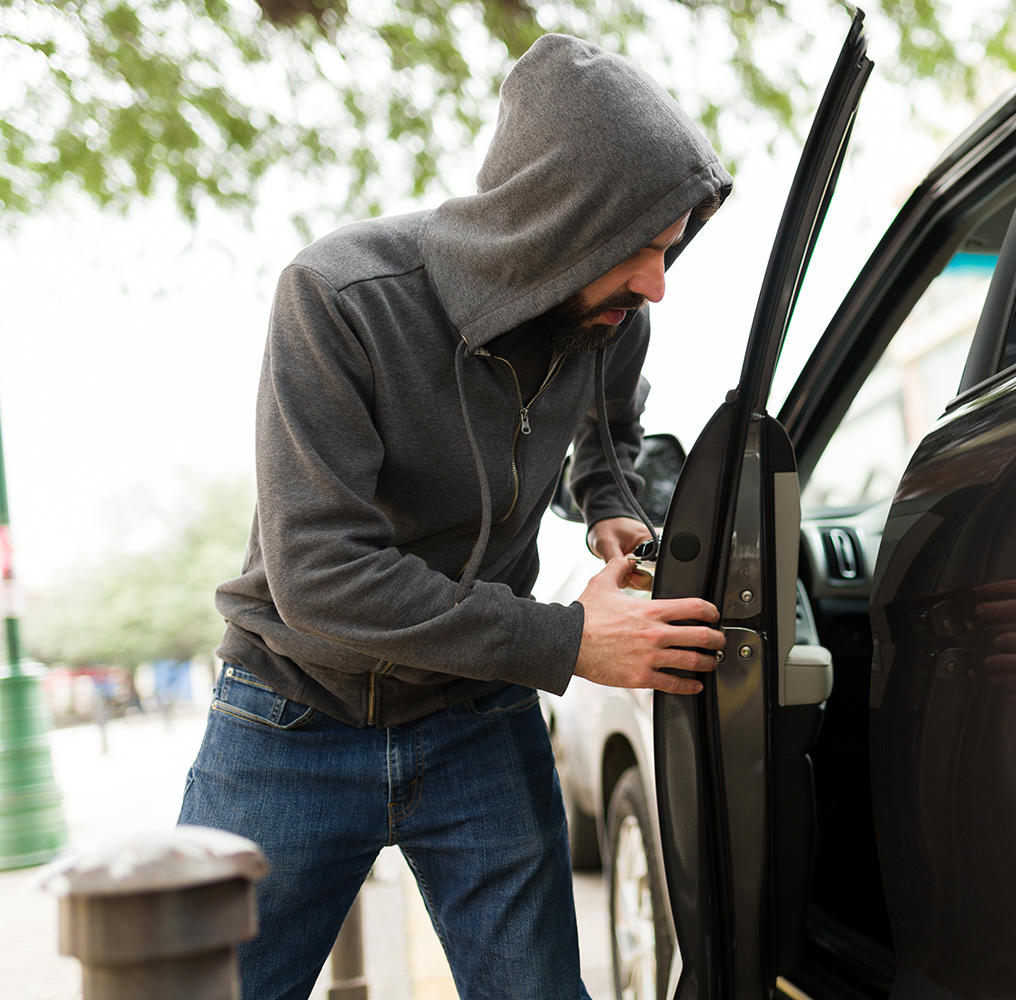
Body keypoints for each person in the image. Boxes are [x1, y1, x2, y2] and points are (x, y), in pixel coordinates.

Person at [178, 33, 732, 1000]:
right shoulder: (338, 298)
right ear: (560, 223)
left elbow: (612, 431)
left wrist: (611, 508)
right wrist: (568, 641)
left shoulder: (611, 318)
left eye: (669, 248)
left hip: (477, 719)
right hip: (290, 717)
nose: (657, 284)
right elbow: (320, 574)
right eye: (641, 249)